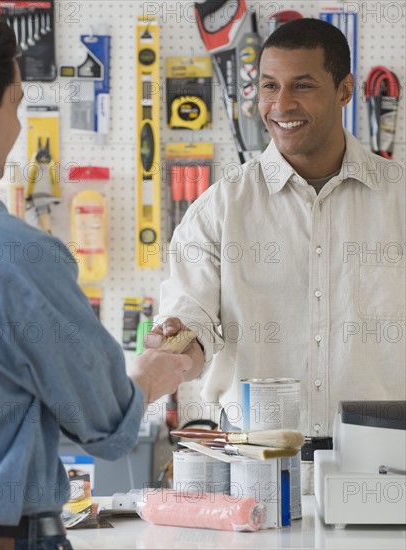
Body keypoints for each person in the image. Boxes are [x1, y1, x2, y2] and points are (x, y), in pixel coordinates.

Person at [0, 4, 192, 548]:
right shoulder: (16, 253)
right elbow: (105, 424)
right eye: (16, 104)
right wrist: (152, 373)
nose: (18, 125)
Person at [146, 18, 405, 493]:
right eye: (269, 86)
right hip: (257, 478)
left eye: (302, 86)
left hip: (387, 475)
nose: (281, 105)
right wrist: (175, 343)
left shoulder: (399, 201)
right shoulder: (219, 208)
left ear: (345, 90)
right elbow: (192, 326)